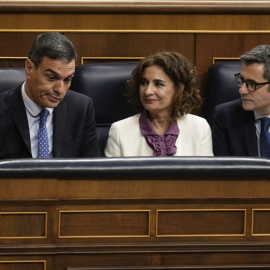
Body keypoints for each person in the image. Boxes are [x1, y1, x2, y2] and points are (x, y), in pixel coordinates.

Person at [0, 32, 101, 159]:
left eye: (67, 80)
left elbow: (92, 169)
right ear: (29, 69)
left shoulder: (81, 108)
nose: (60, 90)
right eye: (52, 78)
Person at [104, 51, 213, 157]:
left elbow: (207, 175)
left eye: (159, 84)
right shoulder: (120, 131)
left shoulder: (199, 127)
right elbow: (111, 175)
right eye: (144, 83)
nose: (147, 91)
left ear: (179, 89)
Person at [212, 45, 270, 157]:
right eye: (242, 80)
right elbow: (223, 170)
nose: (242, 90)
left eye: (252, 84)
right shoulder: (226, 116)